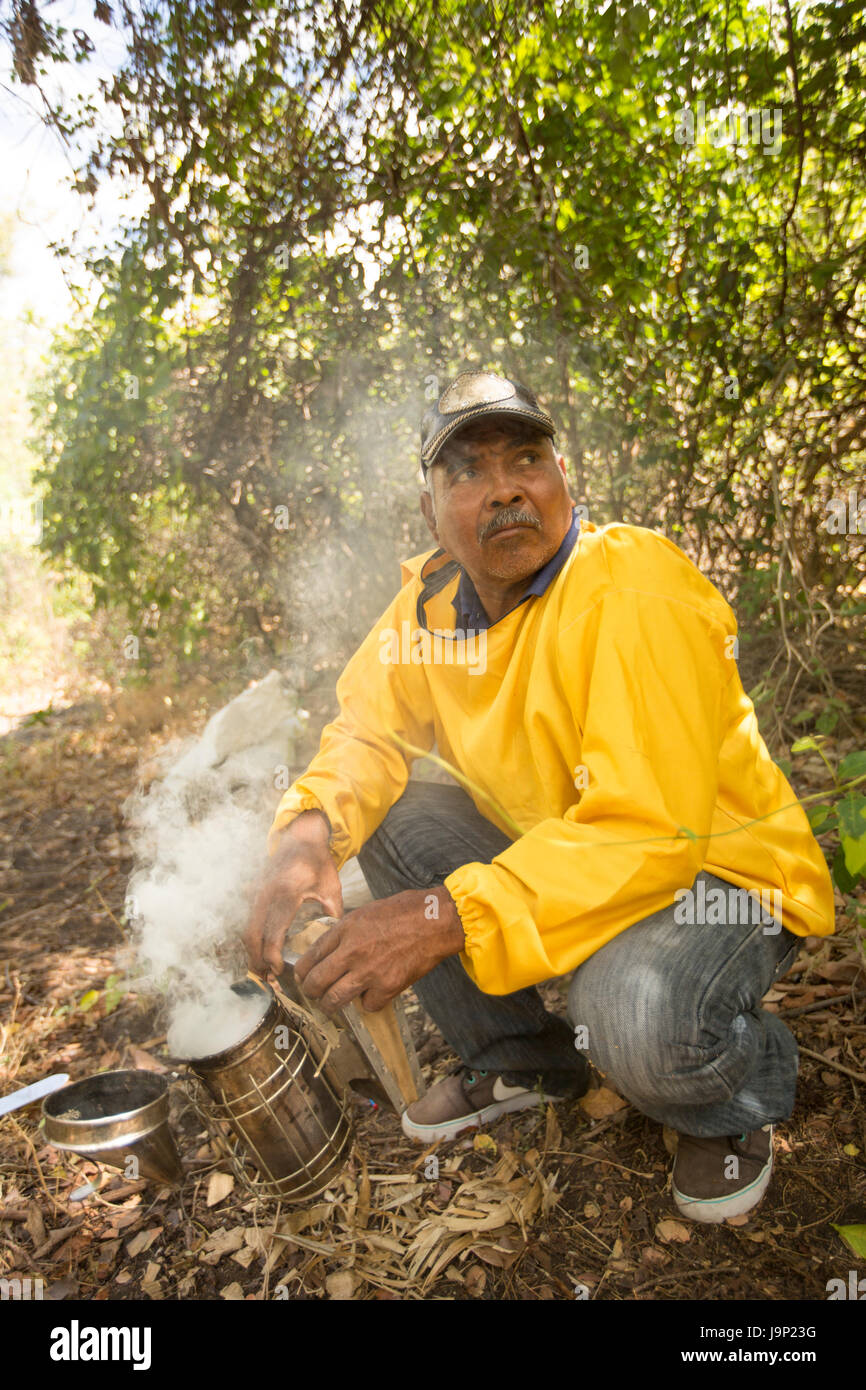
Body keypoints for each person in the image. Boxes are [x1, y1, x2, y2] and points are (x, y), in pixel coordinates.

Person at [244, 369, 835, 1223]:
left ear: (562, 480)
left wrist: (443, 917)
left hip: (718, 878)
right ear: (432, 516)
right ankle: (525, 1057)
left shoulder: (631, 588)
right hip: (578, 857)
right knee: (392, 814)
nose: (507, 488)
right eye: (469, 473)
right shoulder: (427, 613)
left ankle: (741, 1086)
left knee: (630, 1010)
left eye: (527, 458)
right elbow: (368, 737)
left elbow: (649, 834)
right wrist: (304, 835)